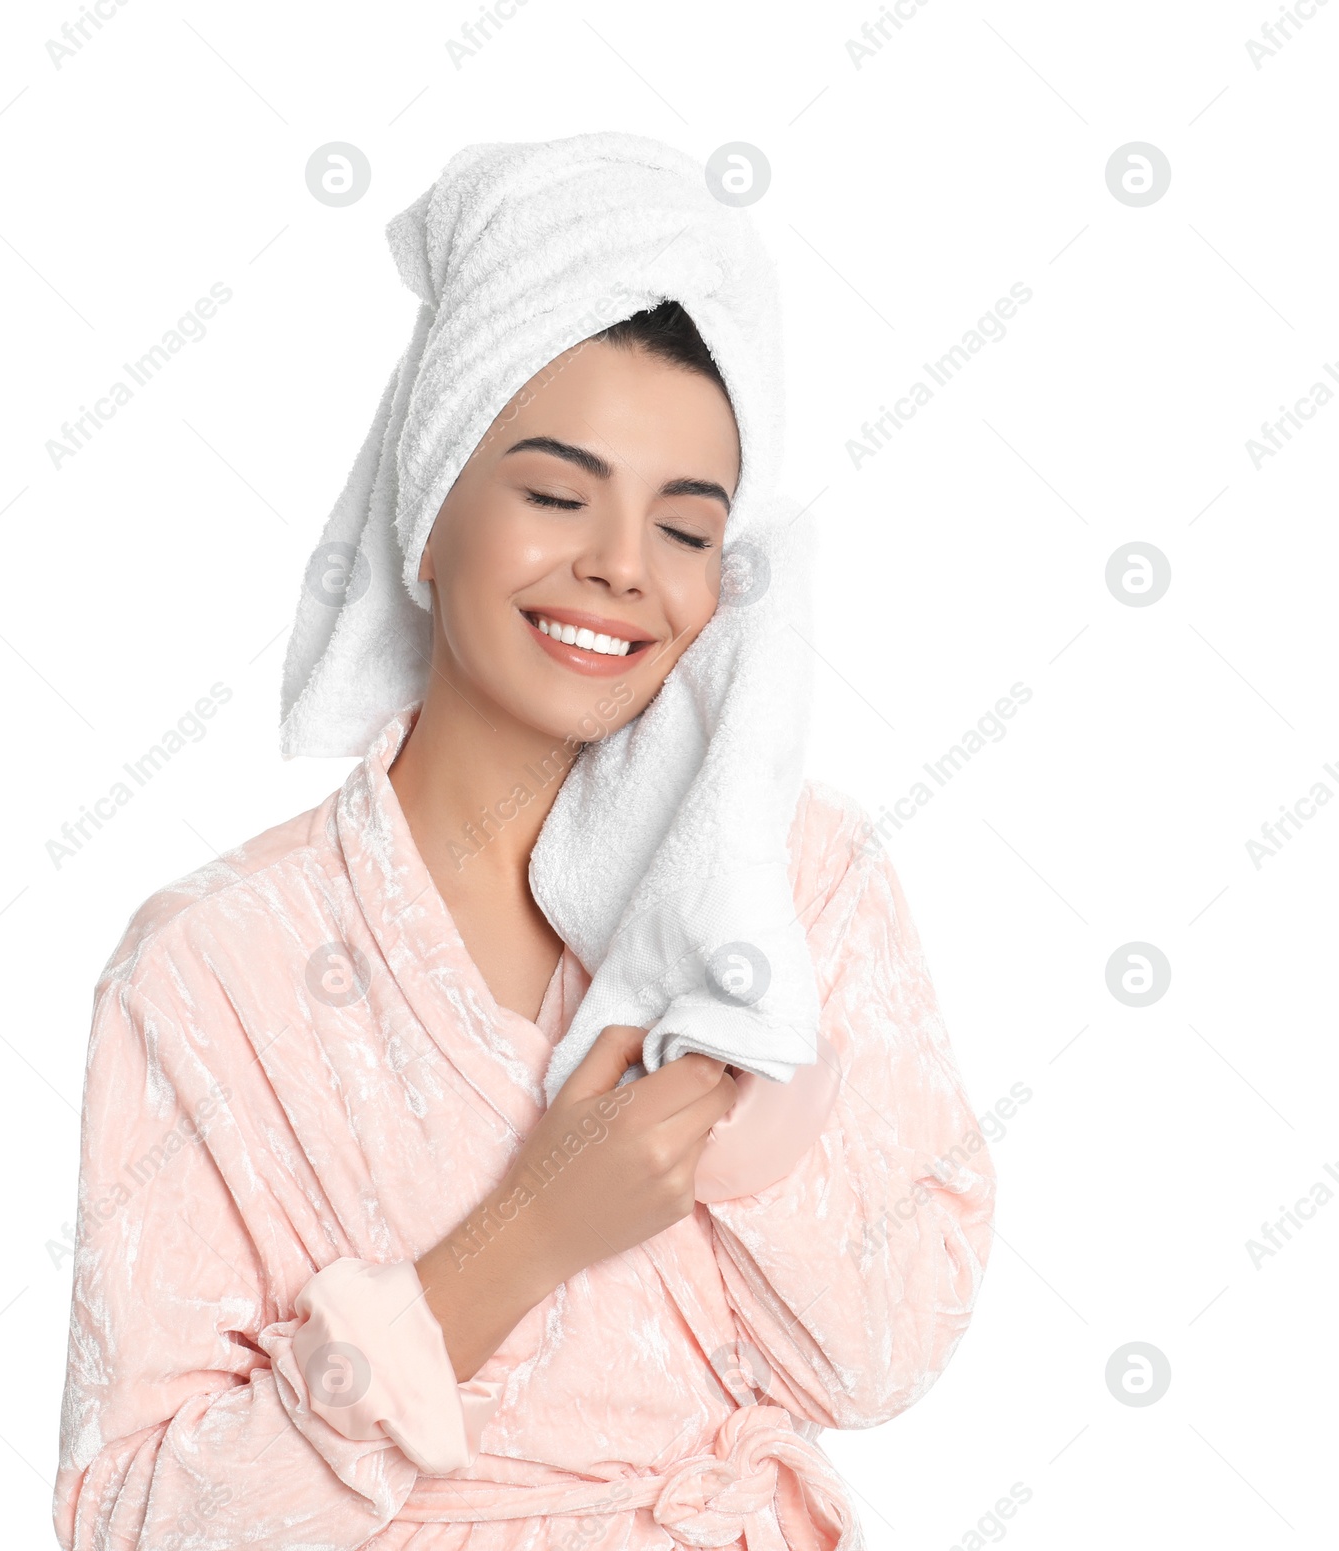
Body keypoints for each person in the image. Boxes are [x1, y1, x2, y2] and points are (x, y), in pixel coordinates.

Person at [52, 133, 996, 1551]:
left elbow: (884, 1357)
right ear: (427, 517)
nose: (623, 565)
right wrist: (517, 1241)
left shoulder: (801, 884)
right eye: (558, 496)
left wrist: (746, 1122)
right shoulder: (214, 970)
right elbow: (135, 1526)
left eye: (687, 527)